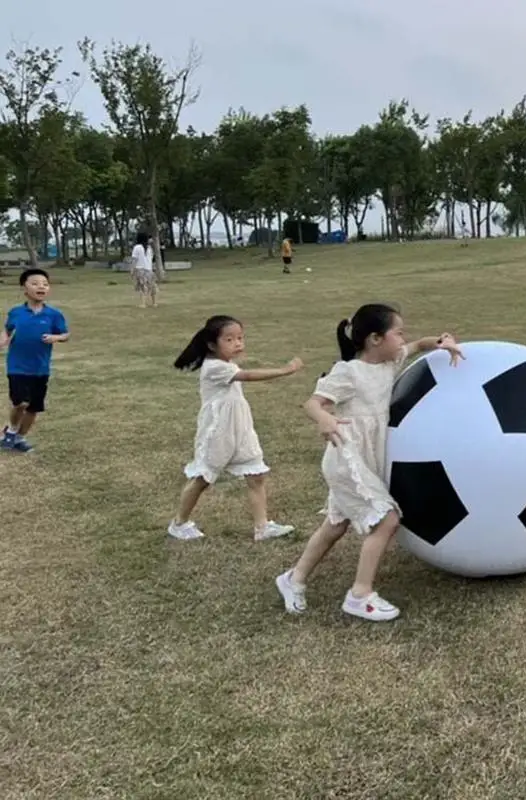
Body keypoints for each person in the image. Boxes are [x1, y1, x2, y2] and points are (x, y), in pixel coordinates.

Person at [275, 304, 464, 622]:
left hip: (367, 461)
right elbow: (312, 402)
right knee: (387, 520)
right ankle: (360, 595)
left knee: (335, 525)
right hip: (347, 459)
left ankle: (293, 579)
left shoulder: (390, 363)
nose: (404, 338)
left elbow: (418, 345)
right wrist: (324, 418)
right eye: (398, 332)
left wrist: (442, 342)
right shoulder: (349, 372)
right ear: (376, 339)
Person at [167, 315, 304, 541]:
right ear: (212, 345)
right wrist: (285, 370)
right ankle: (179, 523)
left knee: (256, 474)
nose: (238, 343)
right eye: (229, 339)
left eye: (240, 338)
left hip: (240, 427)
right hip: (218, 430)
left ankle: (262, 527)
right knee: (203, 477)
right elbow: (248, 376)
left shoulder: (226, 363)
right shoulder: (214, 368)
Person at [0, 268, 69, 453]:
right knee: (20, 403)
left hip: (41, 368)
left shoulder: (54, 314)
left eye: (45, 284)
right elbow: (7, 329)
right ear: (25, 288)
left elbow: (65, 334)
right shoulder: (16, 312)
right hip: (17, 367)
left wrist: (56, 338)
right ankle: (11, 430)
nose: (41, 287)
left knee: (33, 408)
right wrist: (3, 338)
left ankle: (20, 439)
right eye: (35, 283)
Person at [131, 231, 157, 308]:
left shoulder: (137, 247)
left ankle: (143, 303)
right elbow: (151, 260)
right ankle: (154, 303)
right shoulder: (149, 248)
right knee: (152, 286)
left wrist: (132, 269)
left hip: (140, 269)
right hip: (149, 270)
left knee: (142, 287)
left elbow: (134, 260)